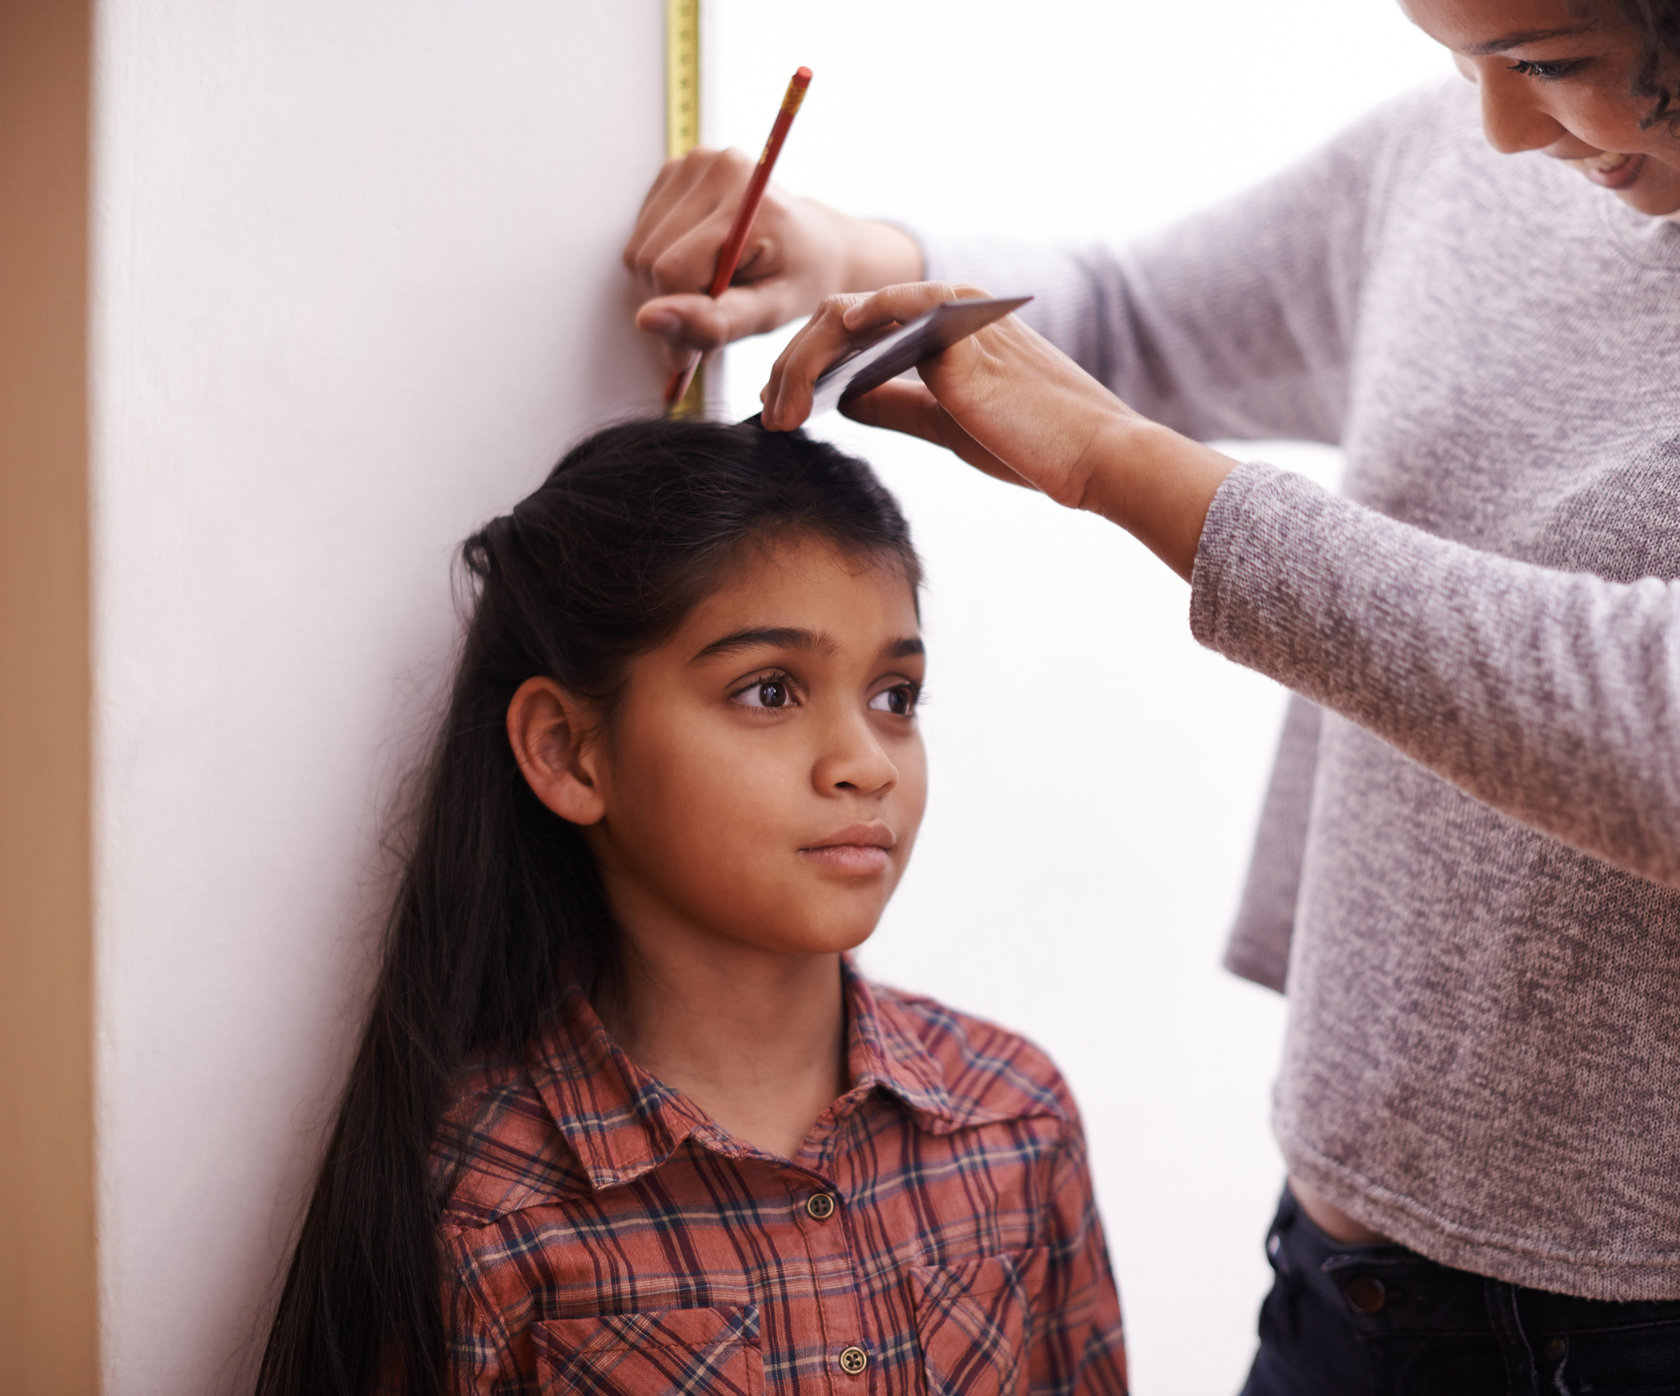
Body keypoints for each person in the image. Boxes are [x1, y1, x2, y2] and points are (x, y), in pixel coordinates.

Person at [624, 0, 1680, 1390]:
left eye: (1550, 59)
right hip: (1355, 1295)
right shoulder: (1456, 158)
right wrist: (844, 250)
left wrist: (1141, 479)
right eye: (1465, 59)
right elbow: (1130, 316)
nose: (1507, 131)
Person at [255, 420, 1127, 1395]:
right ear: (568, 751)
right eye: (768, 691)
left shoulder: (1014, 1120)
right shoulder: (482, 1207)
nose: (865, 764)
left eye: (894, 695)